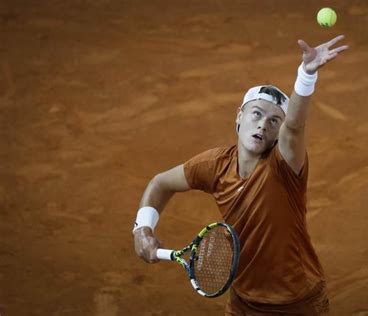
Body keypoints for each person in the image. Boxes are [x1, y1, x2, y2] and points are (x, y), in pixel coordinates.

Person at [133, 34, 349, 315]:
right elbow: (160, 183)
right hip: (242, 303)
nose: (263, 125)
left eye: (274, 122)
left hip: (297, 303)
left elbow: (294, 126)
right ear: (239, 117)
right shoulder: (214, 165)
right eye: (256, 114)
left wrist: (305, 75)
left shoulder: (285, 166)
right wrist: (142, 229)